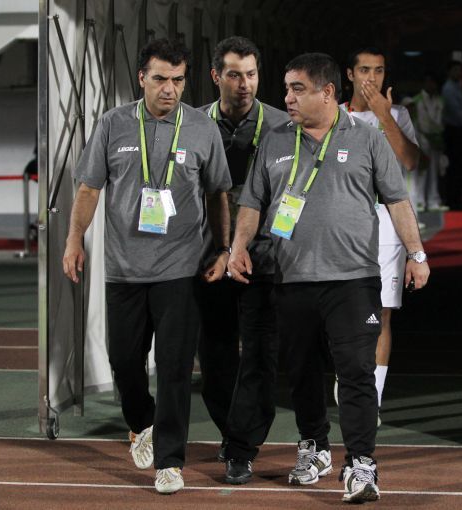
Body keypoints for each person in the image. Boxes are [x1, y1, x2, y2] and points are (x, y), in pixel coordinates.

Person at [228, 52, 430, 504]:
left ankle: (361, 462)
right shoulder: (276, 139)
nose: (287, 98)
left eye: (297, 89)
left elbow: (397, 200)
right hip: (291, 277)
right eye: (286, 89)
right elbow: (253, 202)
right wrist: (238, 246)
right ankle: (314, 446)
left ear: (328, 92)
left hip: (353, 279)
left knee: (356, 370)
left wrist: (416, 254)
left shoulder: (366, 137)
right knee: (302, 372)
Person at [61, 38, 231, 495]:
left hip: (181, 269)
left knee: (174, 368)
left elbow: (217, 193)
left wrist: (223, 248)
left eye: (178, 80)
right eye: (160, 79)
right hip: (124, 270)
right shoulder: (113, 124)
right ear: (141, 79)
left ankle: (170, 462)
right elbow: (89, 188)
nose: (169, 89)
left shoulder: (201, 128)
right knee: (123, 361)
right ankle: (141, 422)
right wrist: (74, 239)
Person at [197, 36, 290, 485]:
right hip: (210, 260)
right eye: (234, 75)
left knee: (259, 355)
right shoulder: (194, 124)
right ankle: (229, 430)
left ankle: (241, 448)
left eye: (251, 74)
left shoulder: (281, 125)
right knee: (214, 356)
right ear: (216, 76)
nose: (244, 84)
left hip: (263, 260)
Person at [340, 46, 420, 428]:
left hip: (388, 228)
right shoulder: (334, 114)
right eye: (364, 70)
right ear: (350, 74)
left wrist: (385, 115)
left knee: (381, 313)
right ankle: (350, 378)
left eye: (379, 70)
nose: (371, 78)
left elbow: (411, 160)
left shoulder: (398, 114)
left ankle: (371, 399)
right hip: (342, 228)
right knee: (343, 312)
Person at [411, 74, 448, 212]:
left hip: (436, 139)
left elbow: (441, 120)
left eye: (434, 83)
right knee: (422, 171)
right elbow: (416, 122)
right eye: (429, 82)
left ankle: (433, 200)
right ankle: (419, 201)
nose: (431, 85)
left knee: (434, 171)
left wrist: (439, 137)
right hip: (421, 138)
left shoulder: (440, 100)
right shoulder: (416, 100)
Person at [441, 60, 462, 210]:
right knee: (454, 165)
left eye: (459, 70)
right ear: (449, 72)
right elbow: (456, 111)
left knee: (460, 165)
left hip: (460, 129)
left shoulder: (457, 86)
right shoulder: (448, 89)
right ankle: (452, 199)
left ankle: (457, 198)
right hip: (454, 130)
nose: (458, 73)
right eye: (455, 70)